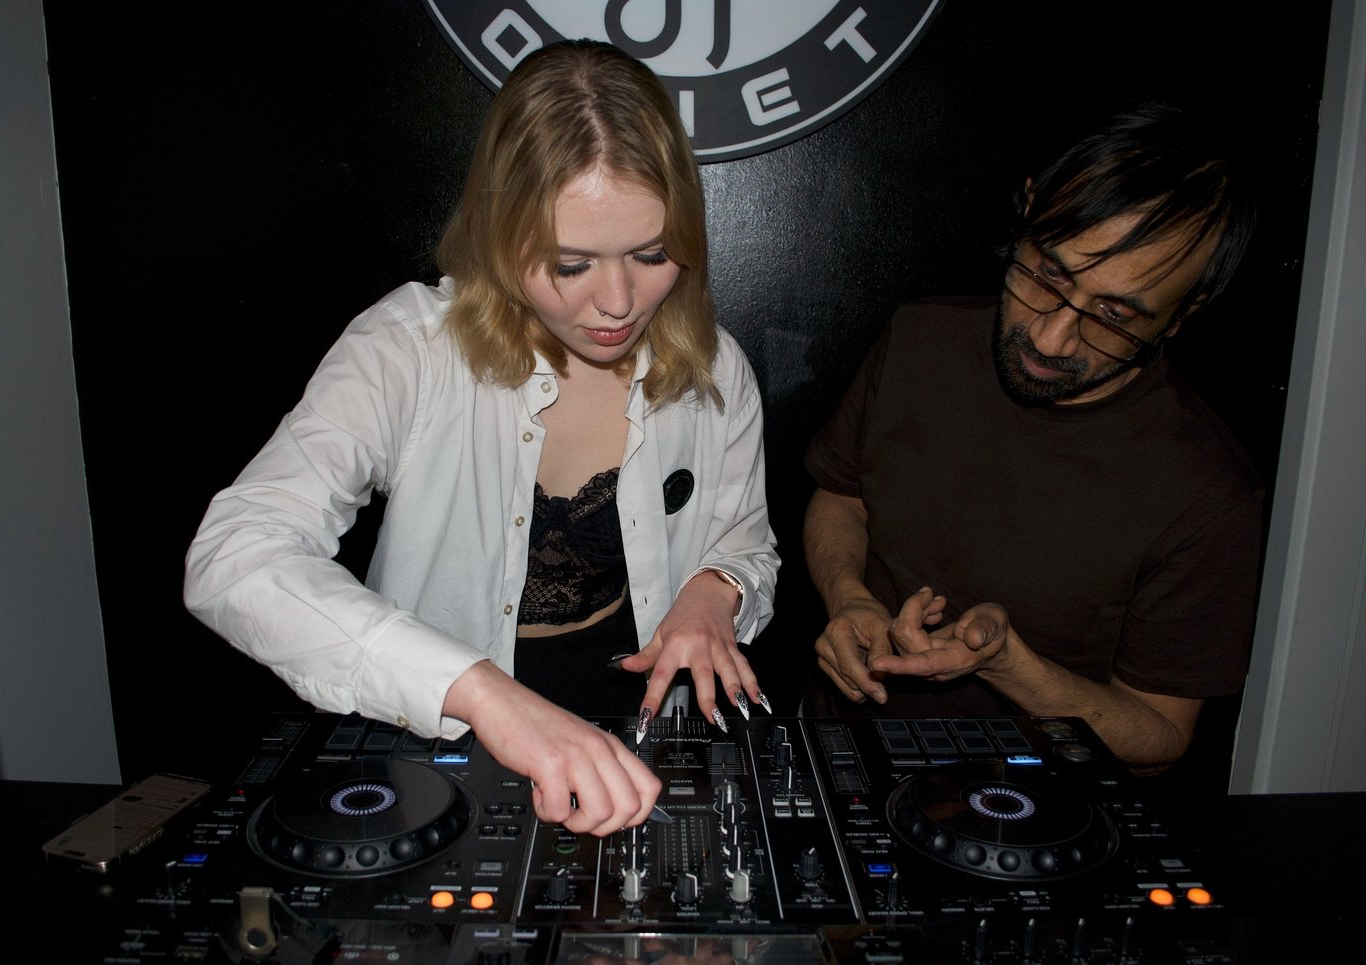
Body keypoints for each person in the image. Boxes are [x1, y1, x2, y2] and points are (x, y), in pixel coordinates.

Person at [184, 40, 778, 835]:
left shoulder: (714, 368)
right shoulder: (408, 348)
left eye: (652, 252)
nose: (619, 300)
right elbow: (235, 555)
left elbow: (746, 539)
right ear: (503, 236)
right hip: (442, 743)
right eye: (571, 264)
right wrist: (484, 692)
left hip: (644, 743)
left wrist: (716, 591)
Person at [802, 102, 1262, 775]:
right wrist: (851, 597)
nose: (1050, 339)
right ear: (1027, 209)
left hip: (1038, 809)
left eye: (1115, 316)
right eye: (1048, 274)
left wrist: (1011, 667)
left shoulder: (1209, 489)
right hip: (838, 759)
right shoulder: (919, 339)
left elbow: (1162, 735)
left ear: (1182, 315)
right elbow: (841, 497)